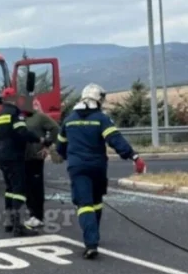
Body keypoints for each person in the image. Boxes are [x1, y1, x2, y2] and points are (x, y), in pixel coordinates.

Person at [55, 83, 146, 259]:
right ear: (98, 100)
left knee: (84, 204)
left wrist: (71, 157)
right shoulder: (101, 119)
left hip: (77, 167)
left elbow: (60, 147)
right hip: (97, 166)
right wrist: (134, 156)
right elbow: (115, 140)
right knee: (96, 201)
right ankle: (93, 236)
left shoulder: (69, 120)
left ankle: (91, 242)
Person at [0, 88, 47, 236]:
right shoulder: (15, 113)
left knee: (9, 189)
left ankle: (9, 221)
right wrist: (40, 139)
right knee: (19, 190)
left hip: (1, 156)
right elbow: (22, 132)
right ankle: (18, 226)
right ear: (14, 99)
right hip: (14, 156)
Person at [23, 106, 60, 228]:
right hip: (22, 157)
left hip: (36, 156)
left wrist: (47, 146)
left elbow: (55, 128)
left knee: (36, 187)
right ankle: (32, 214)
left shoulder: (39, 117)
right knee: (26, 187)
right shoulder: (19, 118)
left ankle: (38, 216)